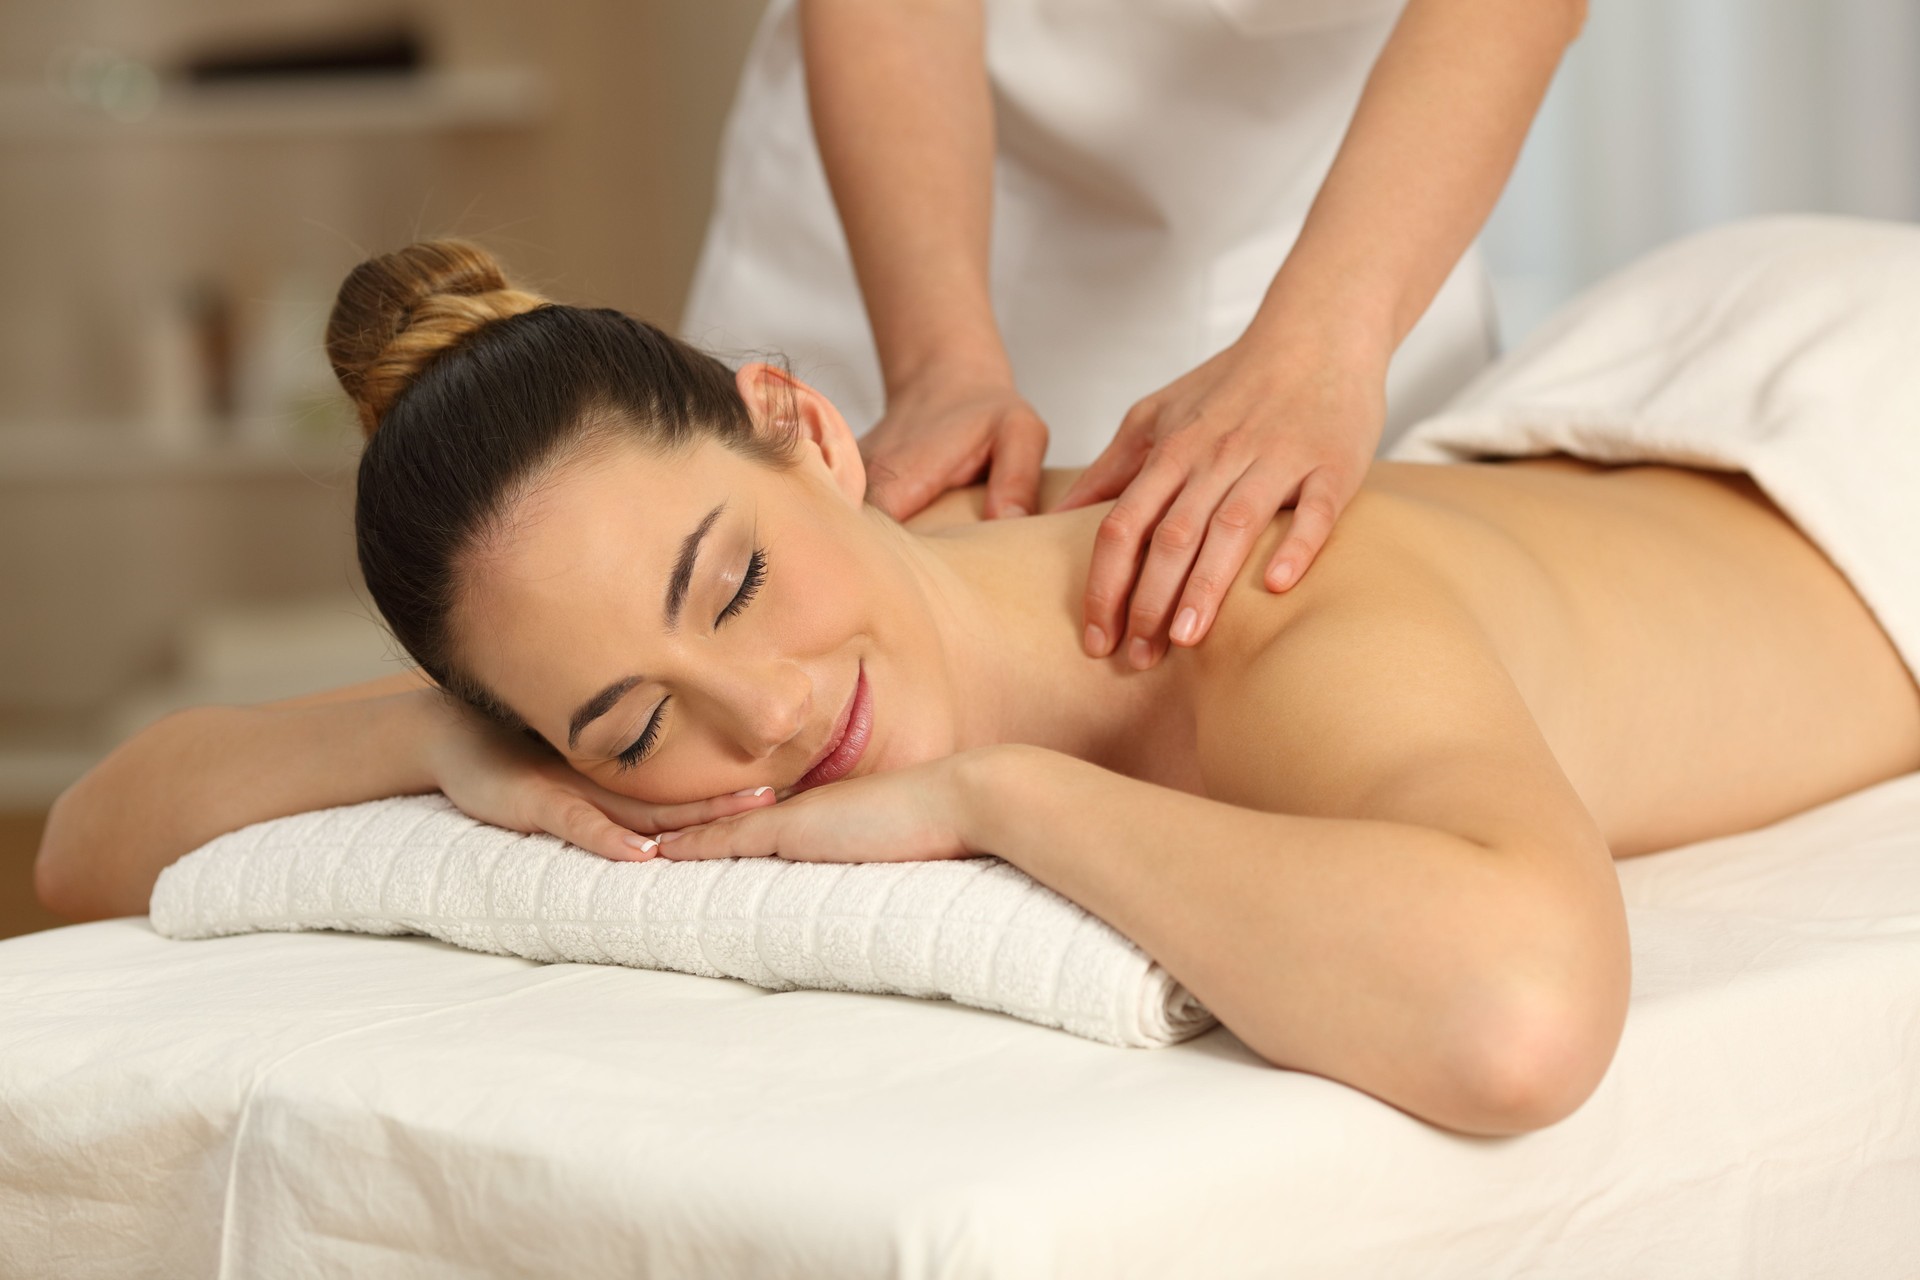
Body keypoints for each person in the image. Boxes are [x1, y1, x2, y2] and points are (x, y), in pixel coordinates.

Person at [36, 239, 1920, 1138]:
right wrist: (442, 748)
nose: (756, 723)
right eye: (629, 724)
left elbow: (1515, 1020)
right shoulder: (599, 720)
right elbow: (87, 850)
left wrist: (998, 805)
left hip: (1846, 420)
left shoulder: (1241, 613)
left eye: (738, 582)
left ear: (803, 430)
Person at [685, 0, 1586, 671]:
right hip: (904, 172)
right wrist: (936, 366)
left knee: (1297, 646)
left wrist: (1323, 346)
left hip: (1343, 189)